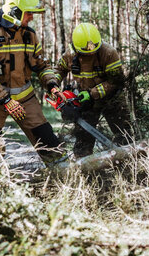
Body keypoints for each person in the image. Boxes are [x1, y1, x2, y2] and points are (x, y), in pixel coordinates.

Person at [0, 0, 66, 167]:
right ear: (15, 12)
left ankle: (63, 177)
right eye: (28, 13)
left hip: (25, 99)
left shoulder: (30, 35)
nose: (32, 17)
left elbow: (41, 66)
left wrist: (52, 85)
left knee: (49, 141)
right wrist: (5, 100)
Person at [53, 22, 131, 158]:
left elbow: (116, 81)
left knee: (123, 134)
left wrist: (91, 93)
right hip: (86, 100)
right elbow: (59, 70)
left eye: (94, 51)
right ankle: (83, 169)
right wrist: (53, 86)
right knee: (83, 139)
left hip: (112, 98)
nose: (91, 55)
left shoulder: (108, 53)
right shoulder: (70, 54)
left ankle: (129, 163)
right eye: (86, 53)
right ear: (76, 48)